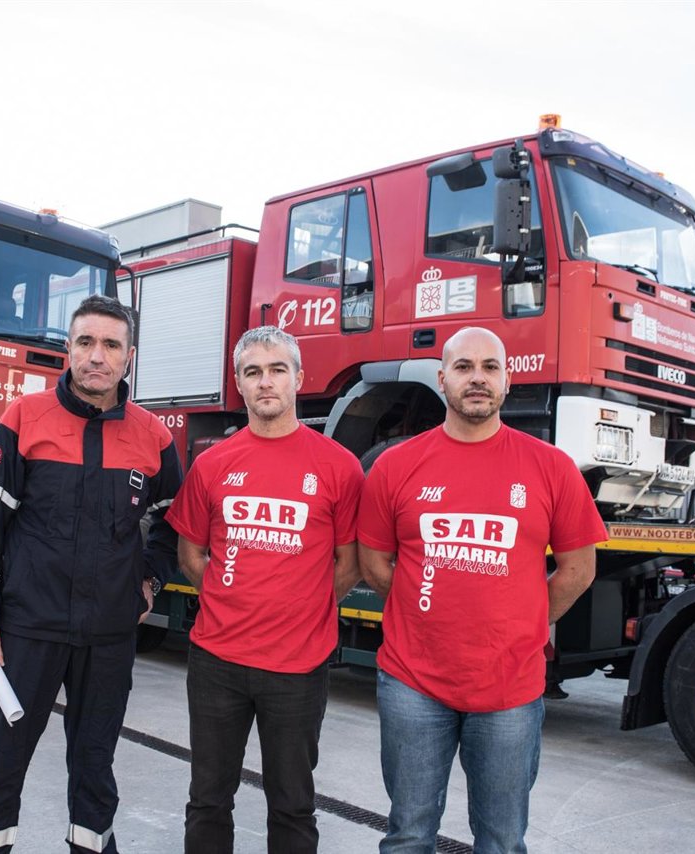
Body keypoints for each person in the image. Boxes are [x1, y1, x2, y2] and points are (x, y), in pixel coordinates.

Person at [357, 326, 607, 854]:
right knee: (407, 836)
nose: (478, 378)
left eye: (490, 367)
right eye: (465, 367)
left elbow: (578, 570)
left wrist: (523, 621)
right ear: (442, 378)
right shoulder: (395, 466)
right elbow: (375, 564)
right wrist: (424, 610)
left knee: (500, 840)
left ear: (507, 381)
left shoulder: (551, 468)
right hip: (412, 683)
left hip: (509, 690)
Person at [0, 294, 182, 854]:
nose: (96, 356)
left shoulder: (154, 437)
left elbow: (175, 520)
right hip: (27, 630)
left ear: (129, 357)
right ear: (68, 349)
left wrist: (149, 581)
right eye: (85, 342)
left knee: (95, 771)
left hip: (108, 636)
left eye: (110, 345)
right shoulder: (24, 419)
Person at [164, 325, 364, 854]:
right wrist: (232, 601)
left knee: (293, 803)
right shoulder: (212, 465)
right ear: (239, 383)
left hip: (298, 667)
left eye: (278, 370)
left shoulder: (338, 467)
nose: (266, 382)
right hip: (216, 662)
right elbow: (191, 554)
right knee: (208, 798)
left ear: (299, 378)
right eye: (253, 372)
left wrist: (304, 605)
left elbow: (349, 562)